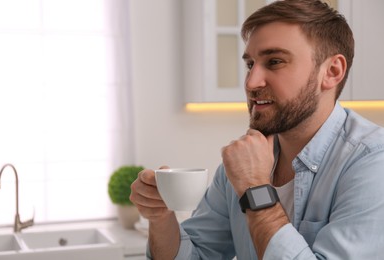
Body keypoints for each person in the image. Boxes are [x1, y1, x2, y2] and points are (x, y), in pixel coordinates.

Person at [130, 0, 384, 259]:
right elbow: (198, 255)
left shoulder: (373, 161)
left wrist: (255, 188)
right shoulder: (241, 163)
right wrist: (160, 219)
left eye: (274, 62)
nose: (251, 82)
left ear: (332, 71)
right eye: (250, 64)